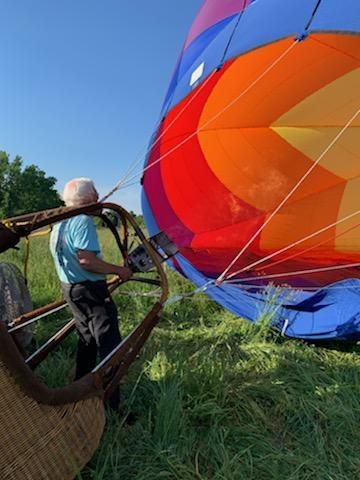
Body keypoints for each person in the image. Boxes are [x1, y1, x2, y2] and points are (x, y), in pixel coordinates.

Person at [50, 177, 132, 410]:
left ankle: (79, 391)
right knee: (110, 346)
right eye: (96, 193)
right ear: (88, 198)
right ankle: (111, 406)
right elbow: (87, 261)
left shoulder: (58, 223)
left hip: (72, 289)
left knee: (86, 340)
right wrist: (119, 270)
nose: (99, 197)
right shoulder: (83, 220)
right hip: (91, 291)